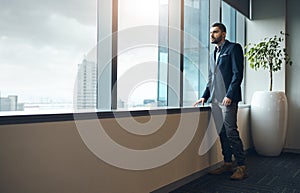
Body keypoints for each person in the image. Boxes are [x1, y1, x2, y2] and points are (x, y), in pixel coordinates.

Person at [194, 22, 247, 180]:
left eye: (215, 32)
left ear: (223, 34)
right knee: (222, 132)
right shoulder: (213, 54)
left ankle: (242, 166)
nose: (212, 35)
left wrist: (230, 94)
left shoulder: (233, 48)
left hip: (228, 99)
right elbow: (211, 78)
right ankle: (227, 163)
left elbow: (237, 74)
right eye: (211, 32)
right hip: (215, 99)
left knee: (231, 131)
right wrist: (205, 95)